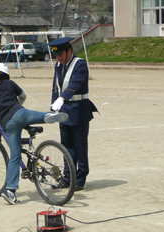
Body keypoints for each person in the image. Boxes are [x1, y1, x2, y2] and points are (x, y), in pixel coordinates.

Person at [0, 63, 69, 205]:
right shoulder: (10, 84)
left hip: (8, 123)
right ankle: (49, 115)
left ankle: (10, 191)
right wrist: (16, 104)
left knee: (15, 156)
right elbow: (23, 95)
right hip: (21, 113)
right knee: (34, 115)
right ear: (6, 76)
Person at [48, 37, 98, 191]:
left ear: (69, 50)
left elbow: (75, 84)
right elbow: (56, 87)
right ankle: (68, 178)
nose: (58, 58)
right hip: (64, 111)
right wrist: (53, 108)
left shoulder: (80, 64)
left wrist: (62, 98)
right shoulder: (58, 65)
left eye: (61, 54)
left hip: (78, 110)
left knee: (80, 147)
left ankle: (80, 179)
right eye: (56, 55)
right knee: (67, 147)